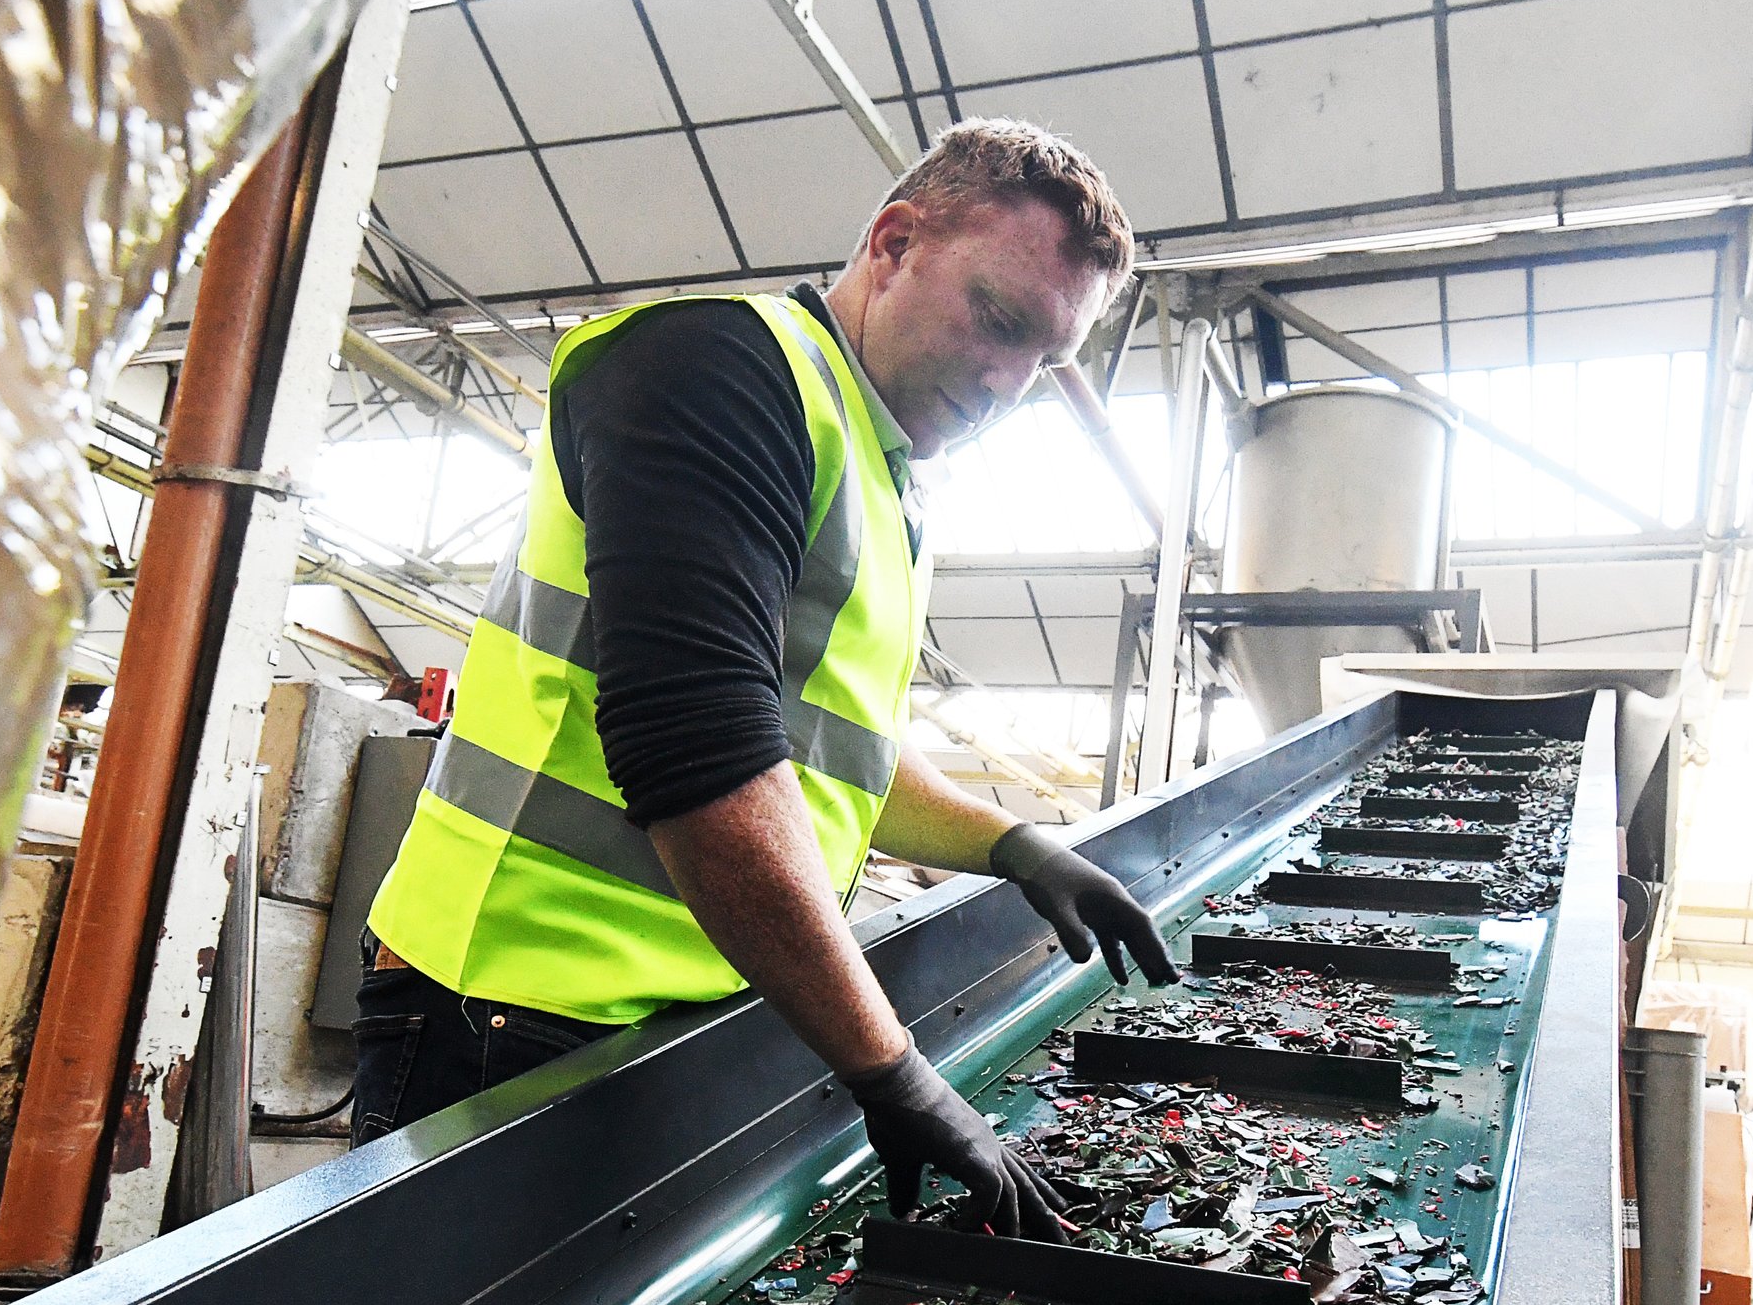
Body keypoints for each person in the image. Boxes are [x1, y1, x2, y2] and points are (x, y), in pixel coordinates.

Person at [357, 118, 1177, 1241]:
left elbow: (830, 754)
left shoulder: (883, 477)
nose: (1004, 384)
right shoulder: (715, 373)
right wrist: (892, 1070)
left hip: (673, 1016)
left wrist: (1015, 847)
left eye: (1045, 359)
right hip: (510, 1009)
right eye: (996, 320)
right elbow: (698, 750)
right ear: (892, 245)